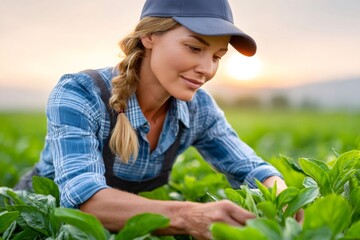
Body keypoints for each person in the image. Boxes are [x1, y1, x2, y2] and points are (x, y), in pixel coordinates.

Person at [15, 0, 302, 239]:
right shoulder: (80, 93)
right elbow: (85, 201)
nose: (206, 68)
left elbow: (250, 169)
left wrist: (284, 197)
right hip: (37, 221)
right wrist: (188, 215)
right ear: (149, 36)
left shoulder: (199, 108)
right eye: (194, 48)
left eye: (217, 56)